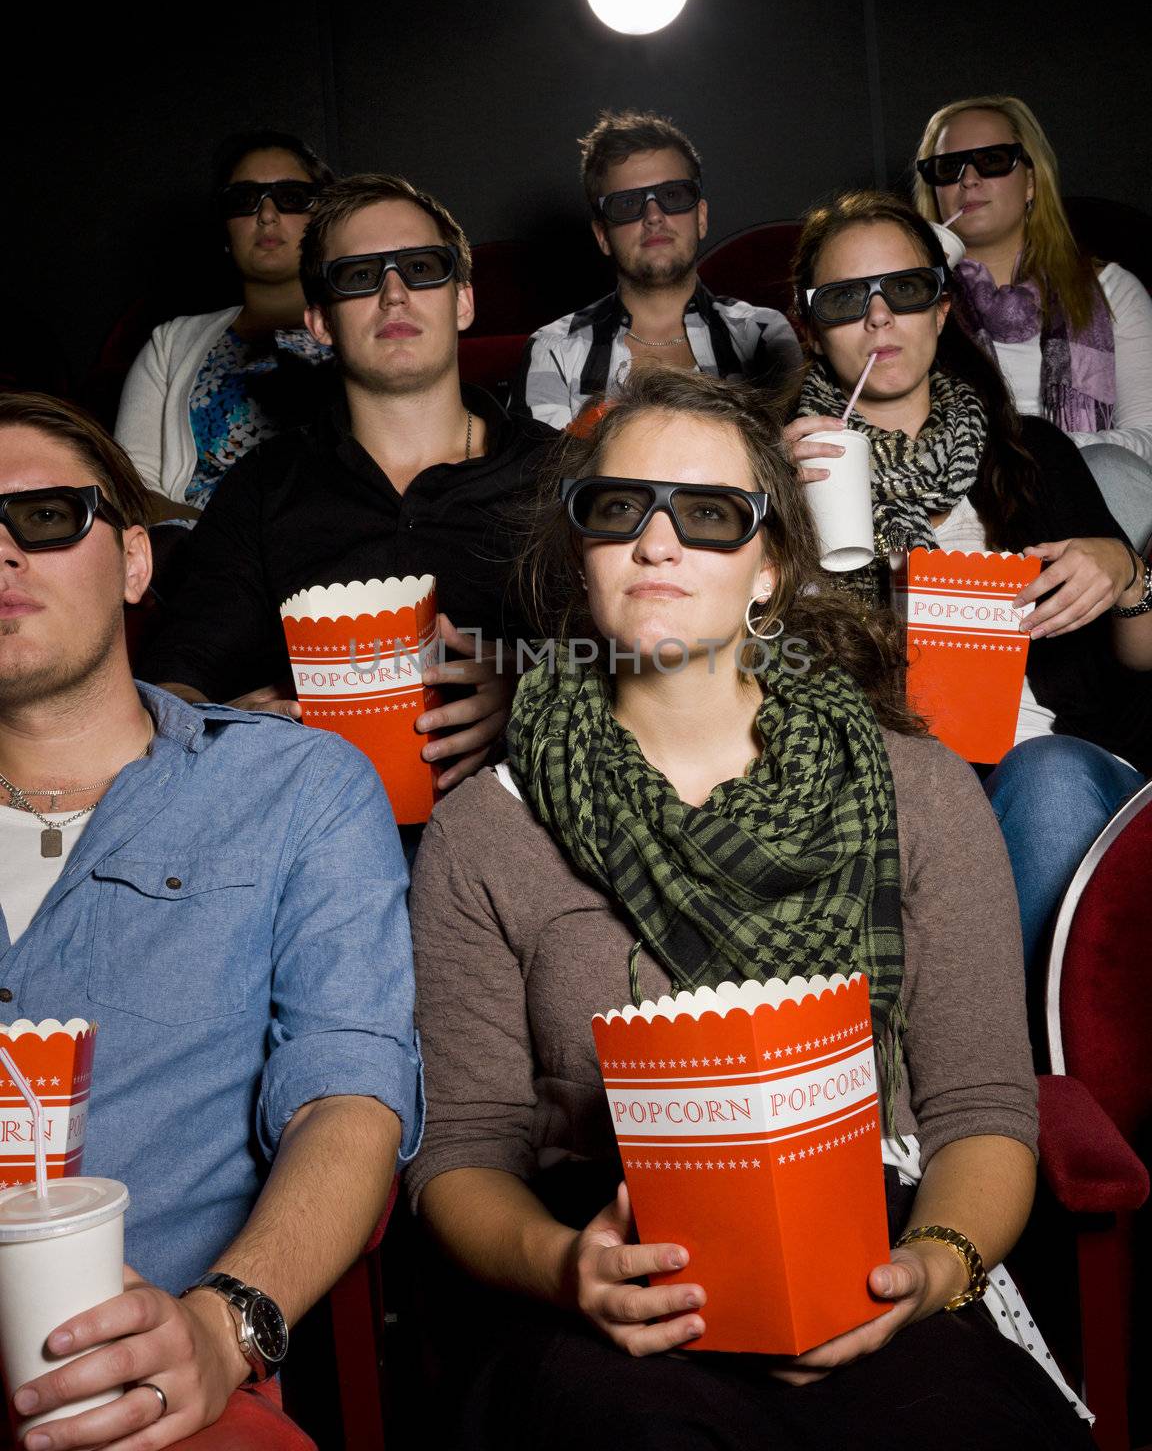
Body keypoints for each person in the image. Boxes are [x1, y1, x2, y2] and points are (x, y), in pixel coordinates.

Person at [405, 367, 1091, 1450]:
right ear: (578, 551)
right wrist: (567, 1268)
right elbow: (463, 1151)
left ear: (769, 567)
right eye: (619, 508)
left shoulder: (919, 788)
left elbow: (981, 1110)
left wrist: (929, 1268)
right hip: (611, 1280)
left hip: (882, 1232)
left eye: (710, 515)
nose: (659, 543)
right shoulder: (485, 832)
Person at [0, 393, 422, 1450]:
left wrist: (225, 1325)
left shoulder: (295, 789)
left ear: (135, 562)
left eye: (47, 517)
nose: (4, 554)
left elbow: (349, 1096)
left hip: (159, 1380)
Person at [782, 191, 1151, 968]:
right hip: (872, 785)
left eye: (906, 290)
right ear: (808, 328)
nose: (880, 318)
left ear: (942, 311)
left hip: (1046, 765)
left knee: (1045, 776)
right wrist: (758, 509)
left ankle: (1009, 1065)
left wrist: (1126, 574)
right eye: (848, 299)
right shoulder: (765, 475)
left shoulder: (1035, 456)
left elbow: (1141, 655)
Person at [139, 173, 557, 795]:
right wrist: (224, 731)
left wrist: (533, 689)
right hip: (313, 822)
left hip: (530, 814)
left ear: (463, 300)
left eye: (421, 267)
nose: (394, 295)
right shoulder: (262, 488)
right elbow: (173, 682)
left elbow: (659, 661)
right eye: (359, 276)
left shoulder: (562, 474)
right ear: (320, 322)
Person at [913, 95, 1152, 550]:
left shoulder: (1113, 290)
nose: (969, 179)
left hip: (1099, 496)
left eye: (993, 160)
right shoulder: (913, 305)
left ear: (1030, 181)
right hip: (970, 503)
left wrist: (1034, 458)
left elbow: (1148, 438)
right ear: (935, 190)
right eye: (949, 167)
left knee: (1111, 468)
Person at [511, 112, 800, 428]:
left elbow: (786, 468)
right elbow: (542, 476)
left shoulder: (763, 335)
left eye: (672, 195)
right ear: (602, 235)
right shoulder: (554, 350)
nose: (653, 215)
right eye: (626, 204)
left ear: (700, 217)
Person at [114, 130, 335, 520]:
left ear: (325, 217)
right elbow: (132, 488)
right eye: (244, 201)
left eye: (292, 197)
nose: (267, 215)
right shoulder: (170, 344)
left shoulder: (368, 329)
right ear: (225, 230)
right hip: (197, 557)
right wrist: (223, 548)